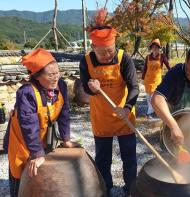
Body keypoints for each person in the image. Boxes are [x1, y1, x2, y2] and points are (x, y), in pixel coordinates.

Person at [3, 48, 79, 197]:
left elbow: (64, 115)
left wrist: (66, 139)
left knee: (40, 172)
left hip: (41, 134)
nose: (55, 78)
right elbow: (28, 126)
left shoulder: (61, 86)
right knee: (19, 172)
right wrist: (37, 153)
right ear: (37, 76)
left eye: (57, 73)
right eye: (50, 75)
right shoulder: (27, 93)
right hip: (21, 139)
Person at [79, 9, 139, 196]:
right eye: (102, 52)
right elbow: (85, 88)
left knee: (129, 157)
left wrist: (128, 107)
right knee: (103, 159)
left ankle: (131, 188)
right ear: (93, 47)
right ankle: (105, 188)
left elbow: (134, 87)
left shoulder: (123, 58)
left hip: (124, 114)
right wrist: (91, 87)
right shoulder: (86, 61)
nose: (106, 55)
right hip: (101, 116)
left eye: (110, 51)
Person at [142, 39, 170, 119]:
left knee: (154, 96)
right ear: (151, 48)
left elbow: (168, 66)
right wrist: (143, 78)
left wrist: (171, 74)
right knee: (148, 97)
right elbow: (145, 68)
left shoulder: (162, 57)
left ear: (159, 48)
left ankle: (149, 112)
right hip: (148, 80)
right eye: (153, 47)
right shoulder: (147, 57)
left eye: (156, 47)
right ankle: (152, 111)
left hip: (157, 80)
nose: (155, 49)